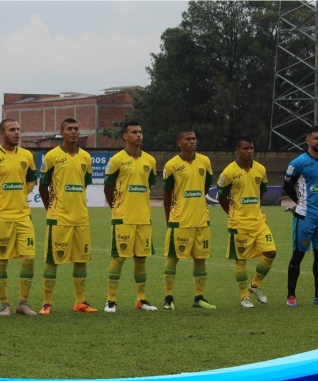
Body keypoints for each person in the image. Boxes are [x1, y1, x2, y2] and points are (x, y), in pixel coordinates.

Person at [0, 119, 38, 316]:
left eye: (18, 129)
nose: (17, 132)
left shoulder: (27, 155)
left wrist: (21, 195)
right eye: (12, 130)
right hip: (1, 218)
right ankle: (4, 304)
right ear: (2, 134)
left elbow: (31, 181)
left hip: (23, 216)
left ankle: (23, 303)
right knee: (1, 261)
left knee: (29, 258)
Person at [38, 118, 96, 314]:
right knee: (52, 260)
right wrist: (51, 209)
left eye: (76, 129)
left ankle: (80, 302)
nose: (73, 132)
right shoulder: (52, 156)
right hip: (59, 217)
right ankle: (47, 303)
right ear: (61, 133)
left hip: (81, 217)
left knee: (81, 259)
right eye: (69, 129)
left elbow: (84, 183)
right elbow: (43, 186)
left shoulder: (86, 157)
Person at [103, 121, 158, 312]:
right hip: (123, 218)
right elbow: (108, 188)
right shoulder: (116, 160)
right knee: (118, 258)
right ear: (125, 136)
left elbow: (149, 185)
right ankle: (110, 300)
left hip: (143, 218)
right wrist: (117, 208)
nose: (139, 135)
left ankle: (141, 300)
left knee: (141, 259)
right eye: (134, 132)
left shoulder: (150, 161)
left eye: (140, 132)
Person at [216, 136, 276, 309]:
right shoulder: (229, 172)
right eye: (245, 148)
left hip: (259, 221)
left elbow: (261, 192)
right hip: (239, 223)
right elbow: (221, 197)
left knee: (271, 252)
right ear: (237, 150)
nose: (249, 151)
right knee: (241, 260)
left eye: (251, 148)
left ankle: (255, 284)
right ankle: (244, 296)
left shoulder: (260, 169)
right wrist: (231, 212)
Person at [283, 125, 318, 307]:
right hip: (305, 216)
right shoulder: (298, 163)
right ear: (307, 141)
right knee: (298, 255)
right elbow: (287, 185)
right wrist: (299, 201)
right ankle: (291, 296)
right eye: (316, 138)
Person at [162, 129, 216, 310]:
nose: (192, 141)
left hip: (202, 219)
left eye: (194, 138)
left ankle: (199, 297)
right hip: (180, 220)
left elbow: (206, 187)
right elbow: (167, 194)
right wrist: (168, 219)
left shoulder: (205, 161)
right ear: (179, 143)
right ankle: (168, 298)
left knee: (201, 259)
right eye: (188, 139)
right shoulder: (171, 165)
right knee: (173, 258)